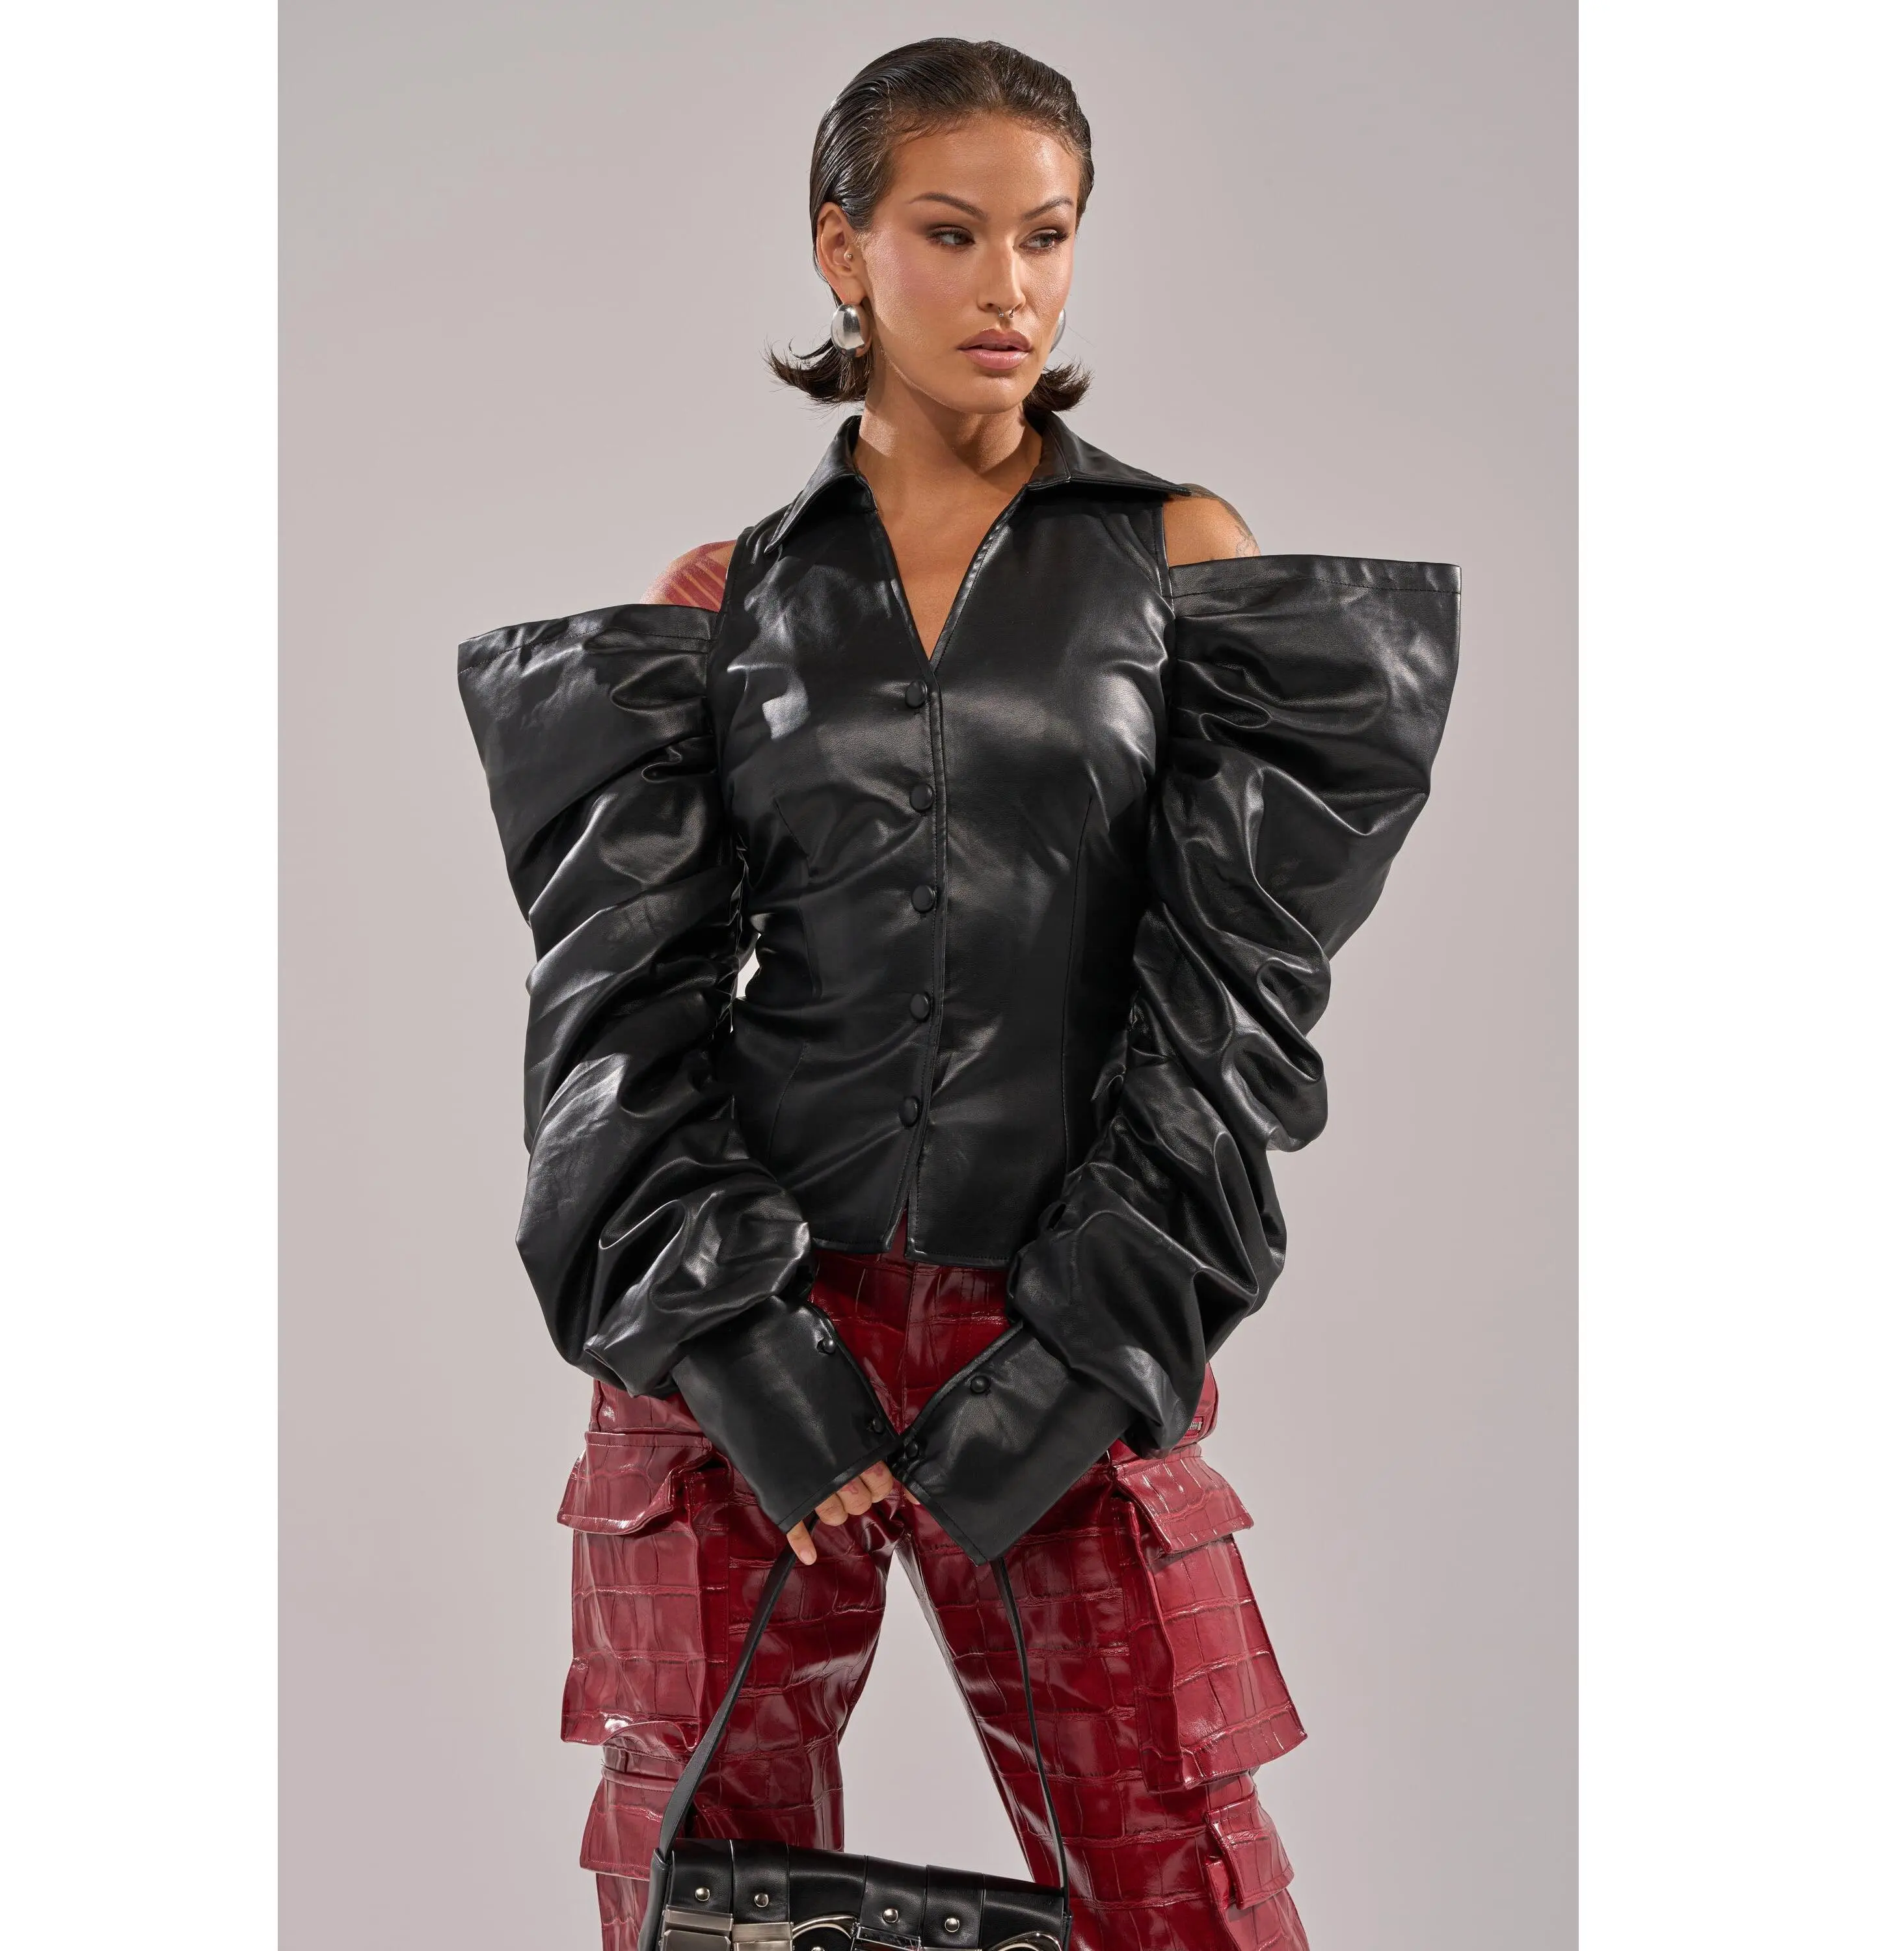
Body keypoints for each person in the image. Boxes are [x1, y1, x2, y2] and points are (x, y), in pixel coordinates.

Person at [458, 36, 1460, 1951]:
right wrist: (738, 1351)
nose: (1010, 287)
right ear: (842, 249)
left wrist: (1093, 1346)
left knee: (1177, 1864)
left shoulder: (1178, 562)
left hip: (1066, 1302)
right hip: (758, 1311)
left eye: (1047, 236)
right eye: (952, 232)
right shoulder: (724, 599)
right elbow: (619, 1010)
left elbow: (1239, 993)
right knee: (707, 1887)